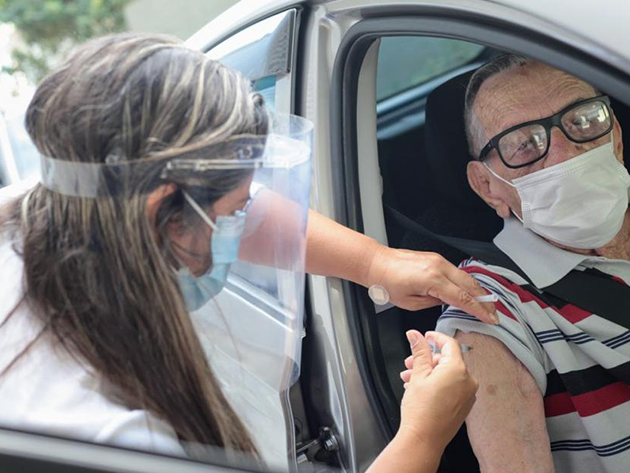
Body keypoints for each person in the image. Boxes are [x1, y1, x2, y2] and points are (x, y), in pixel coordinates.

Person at [0, 33, 483, 472]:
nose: (243, 220)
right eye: (231, 211)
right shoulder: (112, 439)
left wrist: (375, 263)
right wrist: (423, 437)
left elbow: (226, 201)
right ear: (160, 208)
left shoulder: (68, 197)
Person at [423, 54, 630, 473]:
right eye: (523, 144)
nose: (565, 153)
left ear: (617, 136)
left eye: (583, 118)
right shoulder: (487, 305)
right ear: (487, 186)